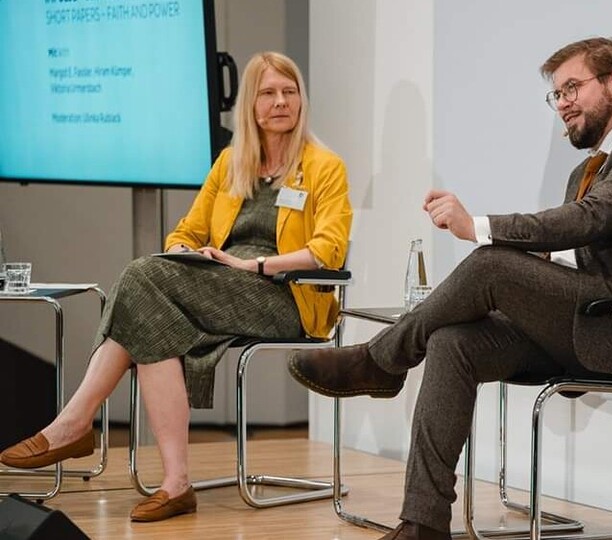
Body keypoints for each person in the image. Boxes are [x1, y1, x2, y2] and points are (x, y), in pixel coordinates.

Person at [288, 37, 612, 540]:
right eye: (556, 95)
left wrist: (479, 227)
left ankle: (381, 360)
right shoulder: (587, 168)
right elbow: (585, 246)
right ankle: (423, 523)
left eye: (572, 87)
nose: (563, 104)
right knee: (453, 341)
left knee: (490, 262)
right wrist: (536, 264)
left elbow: (591, 218)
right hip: (591, 320)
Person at [0, 51, 352, 522]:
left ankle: (76, 424)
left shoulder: (325, 166)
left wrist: (258, 266)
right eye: (268, 92)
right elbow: (185, 231)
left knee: (141, 280)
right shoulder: (231, 164)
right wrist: (193, 252)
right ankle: (173, 482)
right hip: (221, 283)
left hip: (285, 296)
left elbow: (327, 250)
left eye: (289, 92)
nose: (280, 102)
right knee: (150, 304)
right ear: (250, 103)